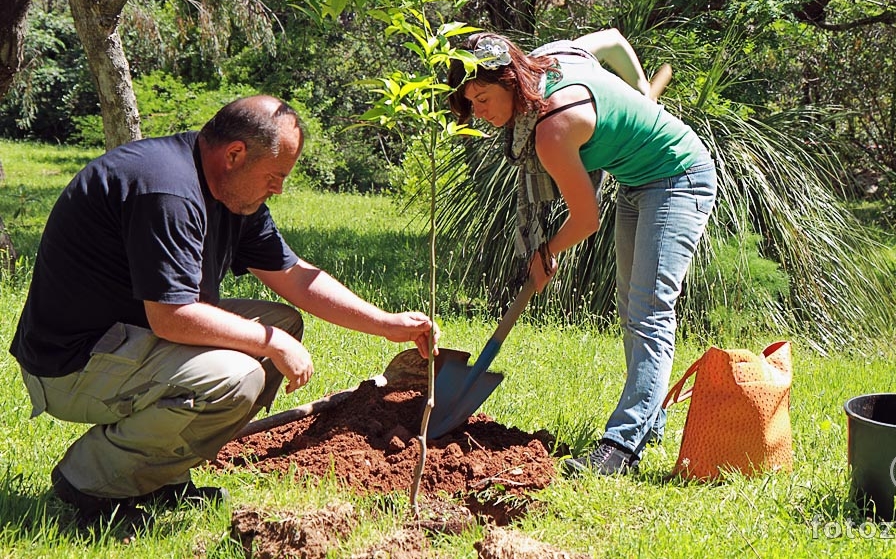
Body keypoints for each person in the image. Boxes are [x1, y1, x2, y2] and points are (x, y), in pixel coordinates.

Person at [9, 95, 439, 527]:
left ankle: (158, 475)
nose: (279, 189)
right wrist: (272, 343)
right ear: (235, 154)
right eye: (274, 175)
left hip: (127, 335)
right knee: (239, 375)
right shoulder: (168, 189)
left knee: (282, 322)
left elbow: (294, 277)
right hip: (71, 364)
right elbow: (171, 317)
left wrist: (387, 324)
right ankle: (89, 482)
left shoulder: (230, 194)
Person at [447, 30, 716, 475]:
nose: (479, 114)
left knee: (650, 310)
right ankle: (647, 421)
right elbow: (610, 40)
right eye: (471, 103)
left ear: (512, 81)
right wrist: (639, 90)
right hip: (636, 180)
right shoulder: (547, 59)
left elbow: (585, 220)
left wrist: (546, 251)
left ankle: (620, 447)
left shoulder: (553, 129)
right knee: (634, 308)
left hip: (678, 178)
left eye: (483, 99)